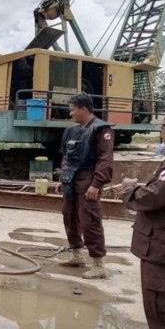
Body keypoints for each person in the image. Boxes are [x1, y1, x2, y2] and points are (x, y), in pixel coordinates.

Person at [120, 108, 165, 329]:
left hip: (163, 241)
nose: (161, 134)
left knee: (159, 292)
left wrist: (129, 189)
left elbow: (153, 197)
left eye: (163, 129)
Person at [55, 92, 114, 279]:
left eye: (73, 110)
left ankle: (98, 264)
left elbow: (105, 160)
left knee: (90, 221)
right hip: (70, 181)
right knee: (69, 217)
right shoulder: (71, 131)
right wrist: (62, 179)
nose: (70, 113)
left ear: (83, 109)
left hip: (88, 181)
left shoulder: (101, 130)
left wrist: (96, 184)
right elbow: (66, 157)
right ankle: (77, 255)